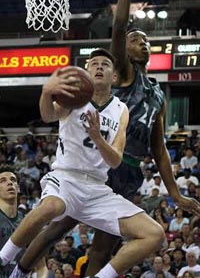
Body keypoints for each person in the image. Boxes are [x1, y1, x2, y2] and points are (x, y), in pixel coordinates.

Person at [5, 0, 200, 278]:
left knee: (104, 247)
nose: (142, 43)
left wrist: (175, 194)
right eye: (137, 40)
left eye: (146, 40)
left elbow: (160, 150)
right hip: (99, 166)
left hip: (128, 171)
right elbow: (120, 25)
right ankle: (18, 268)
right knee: (58, 226)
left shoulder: (157, 95)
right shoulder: (121, 72)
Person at [1, 48, 167, 278]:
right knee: (52, 207)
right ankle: (4, 258)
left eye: (105, 64)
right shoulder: (74, 98)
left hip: (97, 188)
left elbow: (116, 159)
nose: (99, 67)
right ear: (86, 72)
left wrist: (98, 138)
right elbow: (48, 115)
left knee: (154, 234)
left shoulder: (121, 109)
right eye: (94, 63)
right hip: (65, 178)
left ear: (115, 77)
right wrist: (46, 92)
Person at [0, 164, 47, 278]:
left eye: (13, 180)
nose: (10, 183)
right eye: (2, 181)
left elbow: (41, 267)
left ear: (18, 188)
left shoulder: (29, 222)